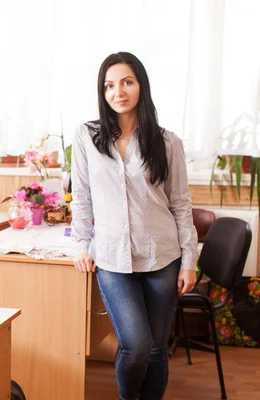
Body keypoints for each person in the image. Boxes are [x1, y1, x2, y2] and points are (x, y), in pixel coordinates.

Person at [70, 52, 198, 400]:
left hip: (163, 255)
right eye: (109, 85)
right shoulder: (86, 137)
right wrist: (81, 244)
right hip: (111, 258)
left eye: (127, 82)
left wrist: (189, 261)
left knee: (157, 348)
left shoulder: (167, 142)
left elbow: (181, 204)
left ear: (141, 85)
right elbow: (81, 197)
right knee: (136, 345)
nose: (118, 91)